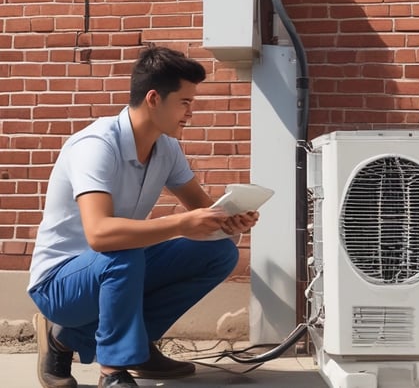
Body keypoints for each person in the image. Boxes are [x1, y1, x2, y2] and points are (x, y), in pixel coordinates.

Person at [27, 45, 260, 388]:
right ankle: (112, 370)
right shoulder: (96, 146)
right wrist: (180, 224)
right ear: (153, 98)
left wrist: (228, 223)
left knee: (218, 253)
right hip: (60, 283)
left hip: (117, 266)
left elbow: (201, 209)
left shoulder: (166, 148)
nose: (190, 112)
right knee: (124, 248)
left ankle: (127, 346)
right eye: (184, 102)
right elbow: (100, 235)